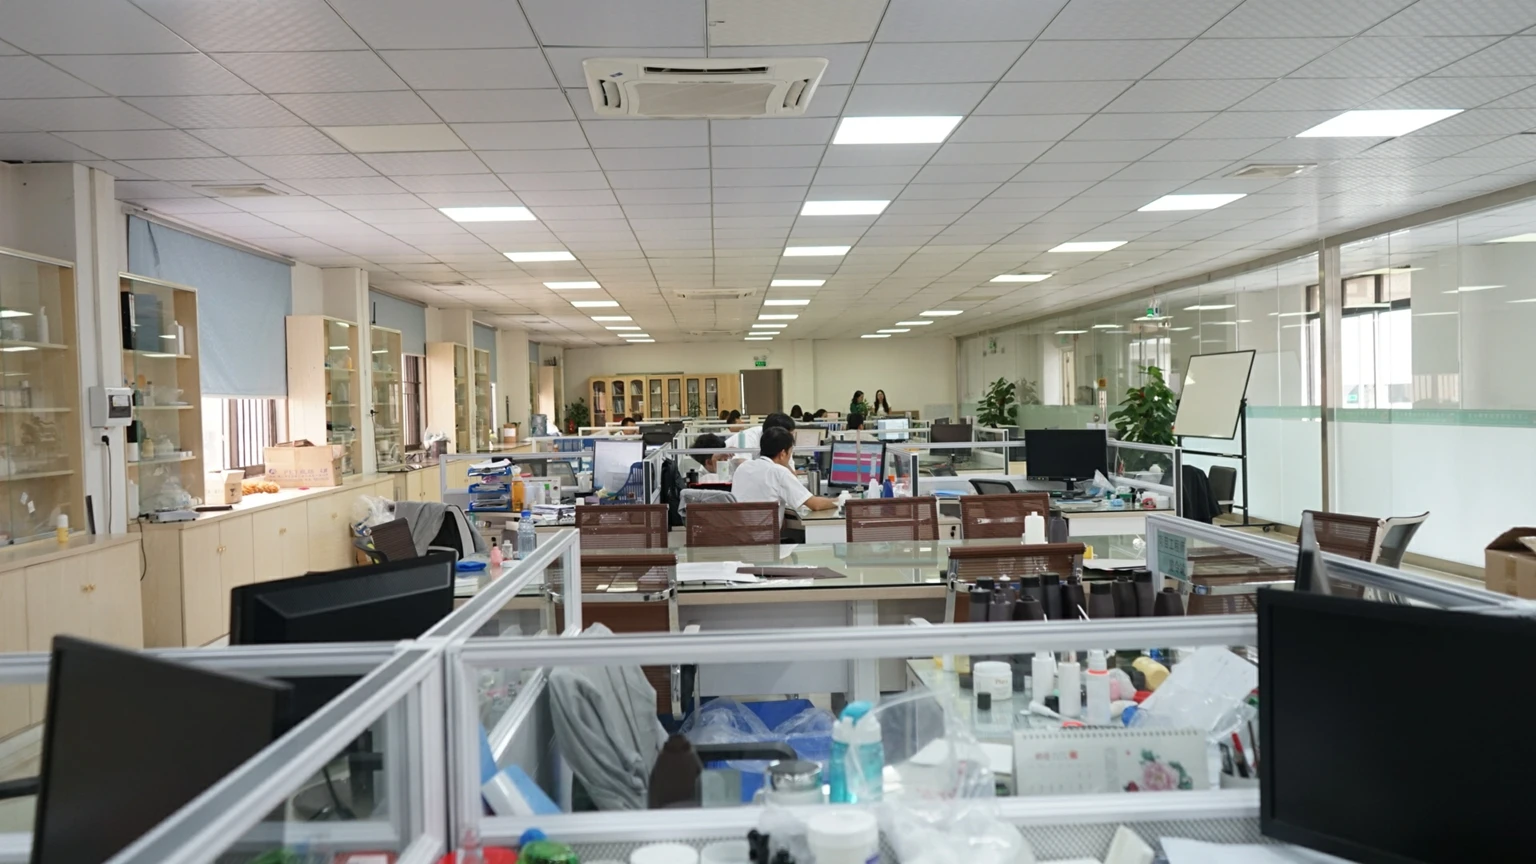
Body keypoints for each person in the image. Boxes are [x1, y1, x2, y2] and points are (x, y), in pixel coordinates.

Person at [730, 427, 837, 517]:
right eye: (790, 452)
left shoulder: (743, 467)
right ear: (782, 454)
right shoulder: (779, 472)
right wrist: (840, 500)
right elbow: (815, 505)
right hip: (764, 535)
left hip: (738, 533)